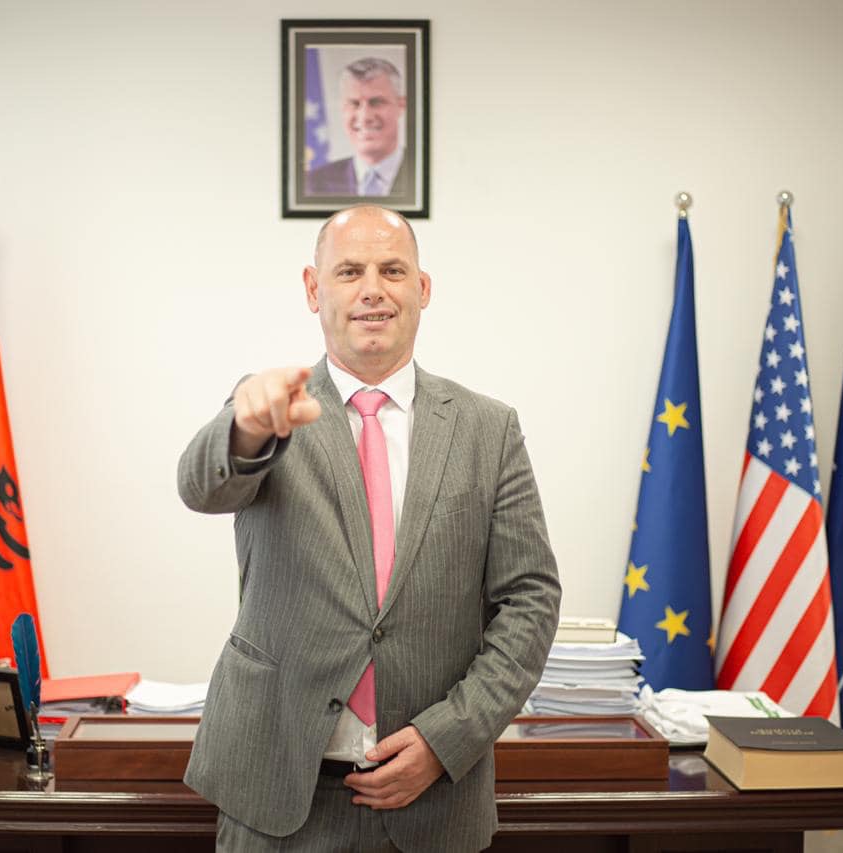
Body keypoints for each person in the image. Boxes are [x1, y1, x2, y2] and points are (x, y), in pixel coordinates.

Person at [178, 205, 561, 851]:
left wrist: (447, 738)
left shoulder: (488, 429)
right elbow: (202, 487)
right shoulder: (270, 409)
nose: (373, 289)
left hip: (433, 800)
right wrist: (244, 429)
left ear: (423, 288)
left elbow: (530, 599)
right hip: (277, 790)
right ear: (313, 288)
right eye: (350, 271)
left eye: (393, 270)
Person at [306, 58, 413, 198]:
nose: (365, 116)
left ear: (401, 106)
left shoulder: (427, 172)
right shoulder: (313, 185)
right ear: (343, 109)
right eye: (354, 104)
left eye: (376, 102)